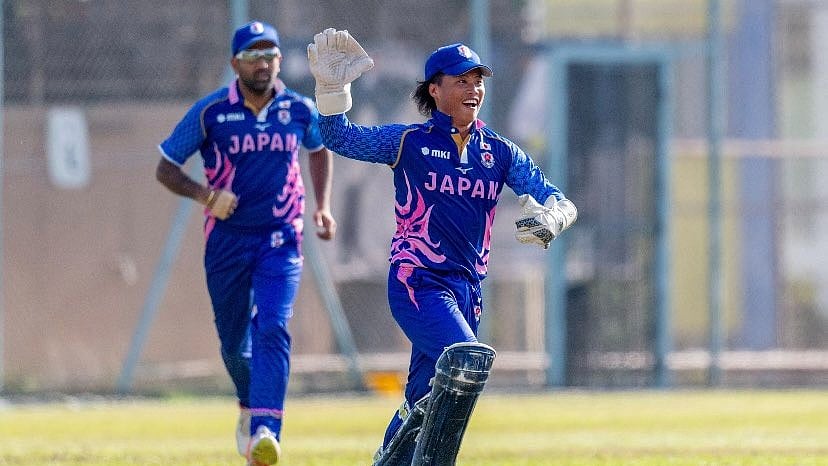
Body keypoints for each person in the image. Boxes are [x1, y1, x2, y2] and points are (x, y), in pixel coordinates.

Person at [307, 29, 577, 465]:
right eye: (461, 81)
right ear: (435, 89)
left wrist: (551, 218)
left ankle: (389, 459)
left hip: (466, 291)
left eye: (478, 81)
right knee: (466, 359)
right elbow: (341, 139)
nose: (474, 89)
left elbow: (557, 199)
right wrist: (332, 90)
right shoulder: (409, 142)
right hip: (418, 281)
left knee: (422, 395)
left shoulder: (500, 152)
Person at [156, 20, 336, 466]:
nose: (264, 63)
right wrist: (206, 195)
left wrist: (322, 206)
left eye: (271, 54)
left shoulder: (298, 109)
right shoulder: (211, 112)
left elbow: (319, 149)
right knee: (236, 346)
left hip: (281, 238)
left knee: (273, 326)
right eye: (253, 55)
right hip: (227, 240)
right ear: (235, 62)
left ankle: (266, 432)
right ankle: (247, 405)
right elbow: (166, 167)